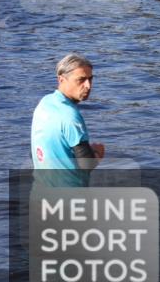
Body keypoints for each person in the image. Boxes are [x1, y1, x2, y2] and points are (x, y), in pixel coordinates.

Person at [30, 54, 105, 187]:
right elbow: (87, 164)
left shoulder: (44, 103)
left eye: (90, 79)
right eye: (81, 80)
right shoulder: (70, 116)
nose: (88, 85)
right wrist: (98, 153)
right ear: (61, 79)